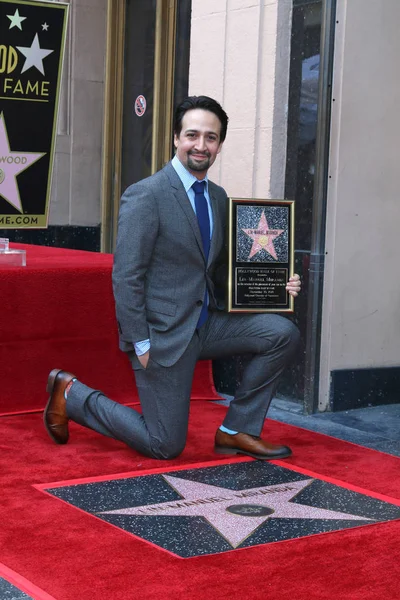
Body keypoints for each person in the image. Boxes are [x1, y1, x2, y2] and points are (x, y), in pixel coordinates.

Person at [44, 95, 301, 461]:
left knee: (282, 334)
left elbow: (220, 269)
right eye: (192, 135)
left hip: (205, 324)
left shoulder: (217, 196)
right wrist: (140, 343)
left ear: (219, 145)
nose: (201, 145)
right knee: (164, 444)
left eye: (211, 138)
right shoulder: (146, 195)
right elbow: (127, 276)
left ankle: (237, 430)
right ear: (176, 139)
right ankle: (72, 395)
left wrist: (278, 286)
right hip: (161, 334)